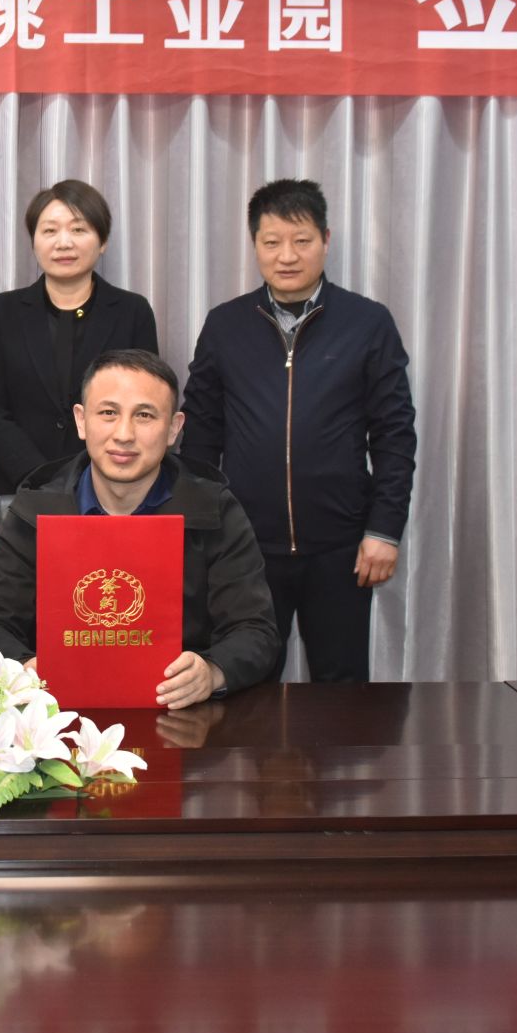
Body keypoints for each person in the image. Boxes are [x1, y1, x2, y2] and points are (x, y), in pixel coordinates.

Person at [181, 178, 416, 683]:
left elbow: (394, 435)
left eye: (301, 240)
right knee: (249, 685)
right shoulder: (225, 325)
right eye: (272, 242)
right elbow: (200, 435)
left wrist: (383, 530)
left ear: (325, 240)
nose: (286, 255)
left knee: (342, 690)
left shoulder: (368, 323)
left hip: (341, 546)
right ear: (255, 245)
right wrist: (201, 532)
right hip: (245, 546)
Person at [0, 349, 282, 709]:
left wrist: (212, 671)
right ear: (81, 421)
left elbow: (256, 631)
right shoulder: (35, 510)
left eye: (144, 415)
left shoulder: (214, 509)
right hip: (57, 714)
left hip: (183, 713)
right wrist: (24, 668)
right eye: (108, 413)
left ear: (174, 428)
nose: (124, 434)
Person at [0, 179, 159, 518]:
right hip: (22, 489)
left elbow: (144, 405)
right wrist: (45, 480)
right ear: (34, 241)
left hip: (112, 491)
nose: (63, 242)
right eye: (49, 230)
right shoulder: (3, 311)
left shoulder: (132, 312)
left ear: (102, 241)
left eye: (78, 229)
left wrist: (90, 479)